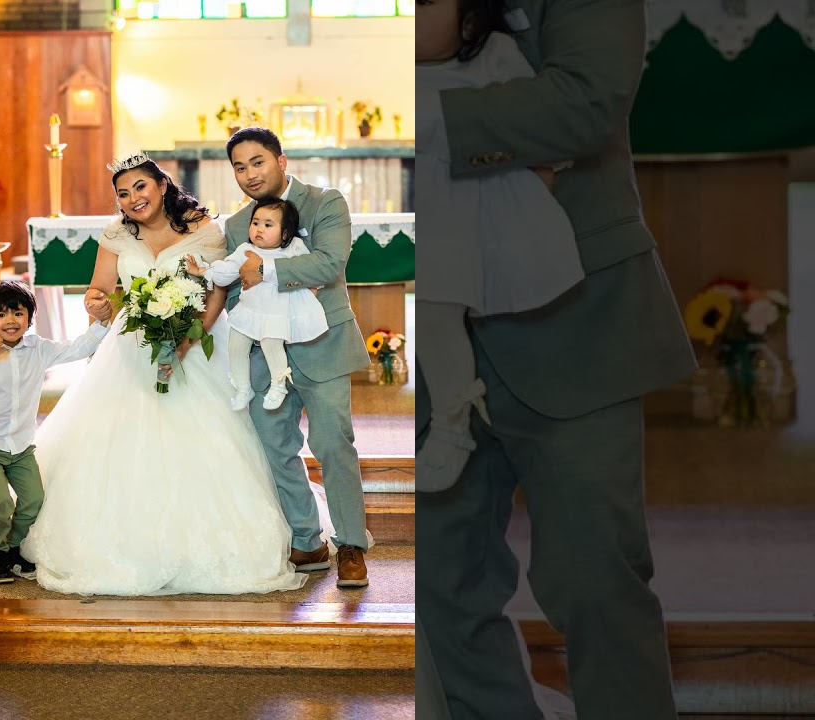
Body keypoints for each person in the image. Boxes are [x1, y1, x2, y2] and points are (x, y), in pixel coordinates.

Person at [414, 0, 697, 718]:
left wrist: (429, 121)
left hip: (575, 317)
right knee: (439, 589)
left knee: (596, 584)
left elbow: (586, 101)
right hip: (439, 319)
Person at [18, 154, 306, 596]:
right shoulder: (115, 234)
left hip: (195, 345)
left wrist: (193, 337)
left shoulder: (204, 229)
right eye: (123, 193)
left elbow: (216, 291)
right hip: (131, 348)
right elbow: (100, 288)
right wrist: (96, 302)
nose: (133, 198)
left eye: (140, 187)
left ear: (162, 184)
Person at [415, 0, 583, 491]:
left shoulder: (494, 54)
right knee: (434, 316)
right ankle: (453, 424)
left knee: (468, 311)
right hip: (433, 215)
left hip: (479, 209)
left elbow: (539, 119)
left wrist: (544, 168)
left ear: (469, 20)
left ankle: (463, 425)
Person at [222, 128, 372, 588]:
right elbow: (232, 291)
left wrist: (264, 269)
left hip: (321, 344)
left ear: (281, 161)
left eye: (258, 162)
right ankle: (307, 538)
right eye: (240, 167)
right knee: (276, 449)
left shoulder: (325, 202)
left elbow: (329, 264)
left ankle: (350, 544)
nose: (250, 175)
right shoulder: (235, 226)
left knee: (332, 445)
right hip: (265, 356)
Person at [0, 280, 109, 584]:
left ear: (29, 318)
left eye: (18, 313)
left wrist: (102, 322)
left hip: (21, 445)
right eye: (1, 314)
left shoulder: (39, 349)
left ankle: (12, 548)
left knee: (34, 499)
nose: (10, 321)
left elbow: (79, 347)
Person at [185, 196, 328, 411]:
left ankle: (278, 385)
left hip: (277, 311)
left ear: (286, 232)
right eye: (255, 223)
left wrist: (312, 289)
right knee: (236, 346)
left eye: (268, 225)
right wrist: (202, 270)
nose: (259, 229)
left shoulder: (294, 247)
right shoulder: (245, 249)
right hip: (250, 309)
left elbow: (308, 269)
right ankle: (243, 387)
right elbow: (226, 271)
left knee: (272, 345)